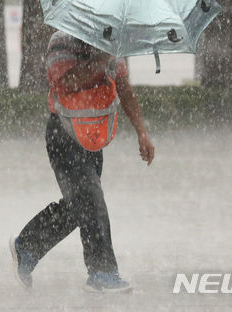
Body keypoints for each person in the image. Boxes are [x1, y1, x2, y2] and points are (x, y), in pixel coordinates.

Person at [9, 30, 154, 293]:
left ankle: (27, 246)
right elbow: (65, 83)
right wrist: (101, 60)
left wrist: (141, 132)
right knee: (90, 198)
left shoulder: (109, 40)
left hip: (93, 135)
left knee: (81, 205)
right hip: (63, 134)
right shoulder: (60, 41)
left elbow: (123, 86)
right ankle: (102, 272)